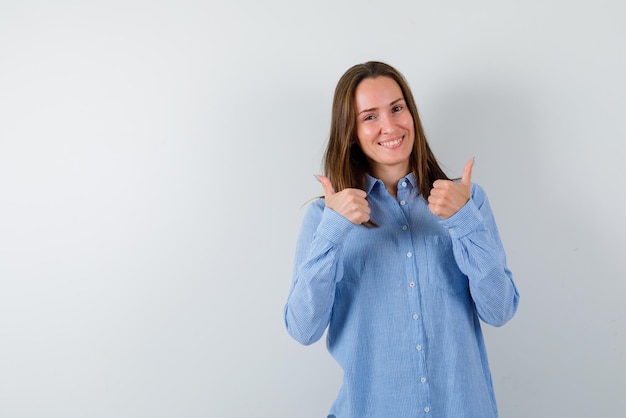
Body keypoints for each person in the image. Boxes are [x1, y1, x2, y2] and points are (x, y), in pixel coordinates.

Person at [283, 61, 519, 418]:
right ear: (351, 132)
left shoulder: (467, 202)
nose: (390, 126)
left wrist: (463, 221)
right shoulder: (323, 220)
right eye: (370, 117)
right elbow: (302, 329)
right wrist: (333, 231)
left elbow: (500, 311)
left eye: (396, 108)